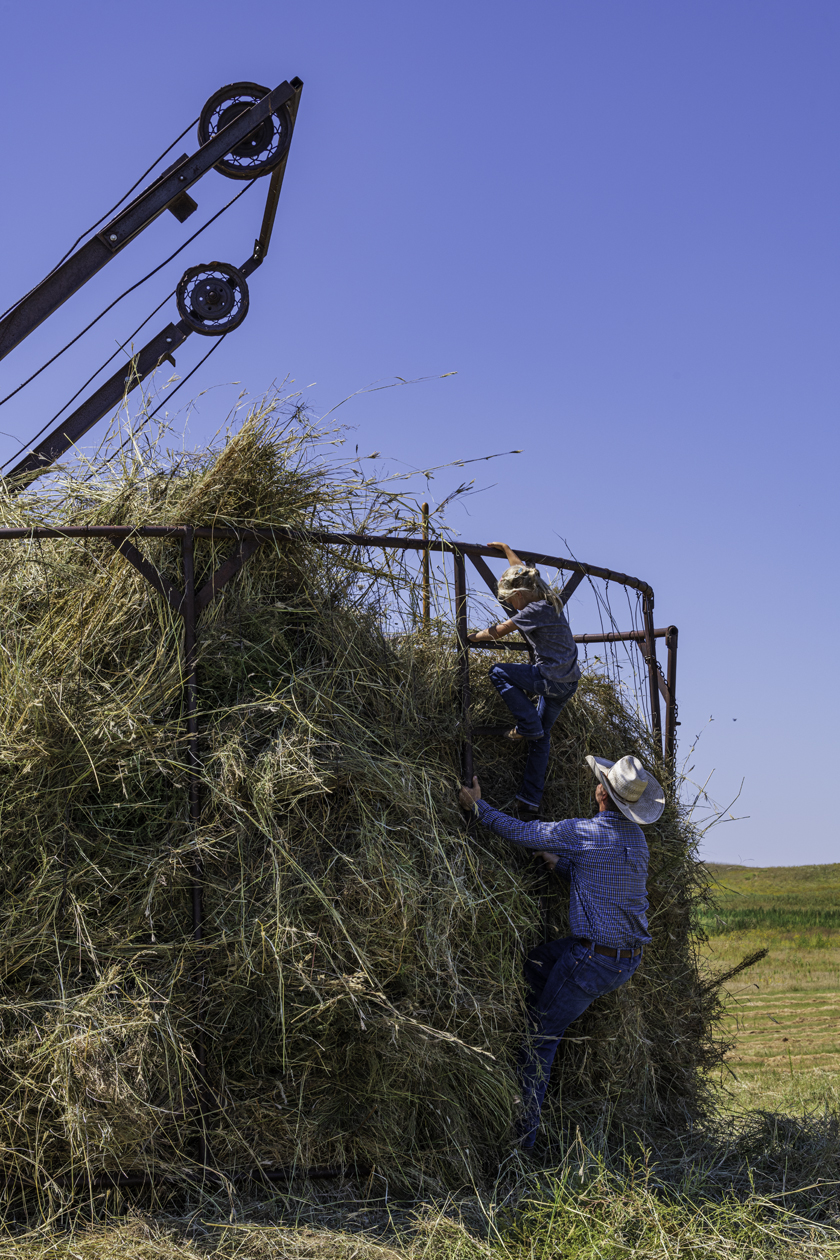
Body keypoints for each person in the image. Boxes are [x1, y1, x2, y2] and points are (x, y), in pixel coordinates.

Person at [457, 752, 664, 1151]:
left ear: (601, 793)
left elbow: (525, 833)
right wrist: (560, 865)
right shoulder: (636, 841)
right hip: (625, 961)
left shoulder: (585, 832)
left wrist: (478, 807)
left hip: (593, 960)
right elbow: (607, 885)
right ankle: (537, 1007)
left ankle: (522, 1144)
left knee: (540, 1041)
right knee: (538, 962)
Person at [467, 542, 580, 816]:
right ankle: (529, 801)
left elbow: (499, 631)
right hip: (568, 682)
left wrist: (469, 637)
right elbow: (523, 572)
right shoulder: (547, 596)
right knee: (541, 739)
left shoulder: (531, 610)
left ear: (519, 595)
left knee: (498, 671)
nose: (508, 603)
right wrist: (506, 549)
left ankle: (527, 723)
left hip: (550, 679)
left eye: (508, 599)